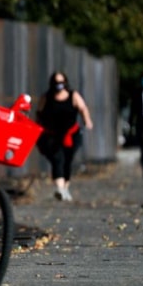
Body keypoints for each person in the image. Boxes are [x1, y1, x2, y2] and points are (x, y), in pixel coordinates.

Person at [36, 71, 94, 201]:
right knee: (58, 158)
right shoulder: (46, 98)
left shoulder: (73, 96)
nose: (59, 85)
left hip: (70, 135)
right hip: (52, 136)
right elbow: (39, 113)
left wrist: (87, 121)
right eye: (56, 82)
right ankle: (60, 188)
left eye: (61, 82)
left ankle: (65, 187)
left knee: (67, 160)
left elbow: (83, 108)